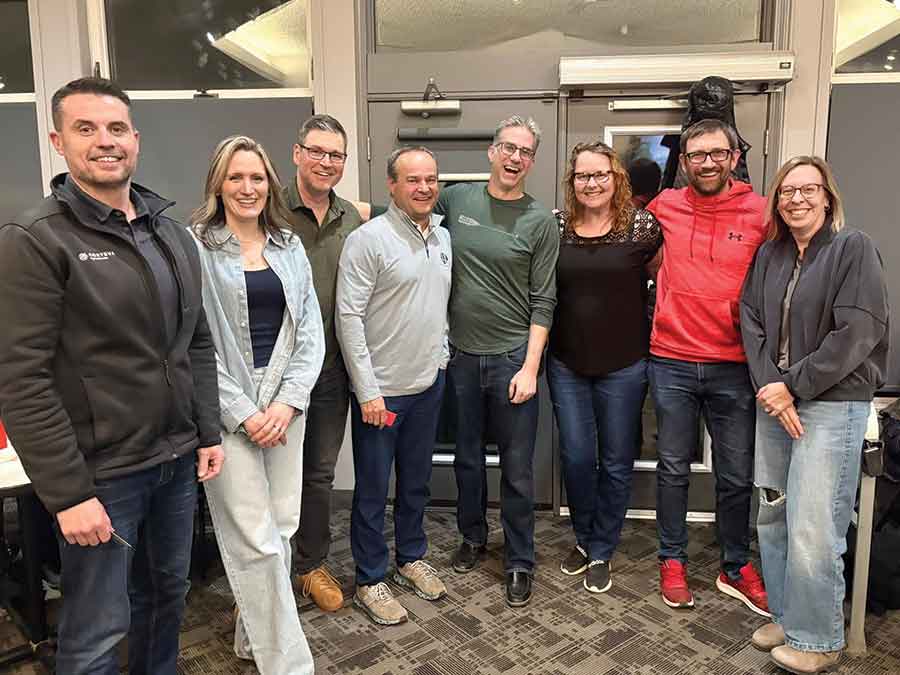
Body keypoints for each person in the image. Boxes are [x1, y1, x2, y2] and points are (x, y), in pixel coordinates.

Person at [0, 77, 224, 674]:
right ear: (58, 141)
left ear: (135, 139)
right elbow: (22, 379)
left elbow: (195, 341)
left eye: (117, 128)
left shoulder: (171, 232)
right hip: (101, 475)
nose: (106, 141)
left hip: (174, 461)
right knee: (97, 629)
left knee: (167, 598)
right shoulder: (35, 240)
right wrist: (68, 494)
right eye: (86, 128)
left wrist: (206, 431)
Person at [740, 156, 889, 674]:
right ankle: (789, 617)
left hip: (831, 402)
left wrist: (791, 387)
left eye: (808, 189)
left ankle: (820, 637)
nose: (796, 199)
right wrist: (772, 386)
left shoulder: (853, 248)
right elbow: (750, 321)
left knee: (814, 523)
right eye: (787, 191)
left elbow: (857, 332)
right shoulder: (770, 254)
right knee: (774, 513)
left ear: (828, 197)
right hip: (775, 400)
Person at [190, 135, 324, 674]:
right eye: (235, 177)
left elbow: (310, 331)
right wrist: (244, 412)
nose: (247, 188)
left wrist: (288, 403)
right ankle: (289, 665)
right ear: (218, 184)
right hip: (228, 404)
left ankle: (252, 638)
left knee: (283, 528)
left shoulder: (289, 245)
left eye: (256, 177)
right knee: (256, 540)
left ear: (270, 183)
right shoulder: (197, 247)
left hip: (286, 402)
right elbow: (194, 340)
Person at [647, 118, 769, 616]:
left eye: (717, 153)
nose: (707, 163)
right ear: (684, 162)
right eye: (697, 155)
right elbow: (633, 249)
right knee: (673, 468)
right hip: (672, 359)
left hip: (734, 365)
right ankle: (672, 559)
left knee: (736, 475)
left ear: (734, 157)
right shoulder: (665, 206)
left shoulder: (761, 211)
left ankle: (734, 566)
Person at [439, 115, 559, 608]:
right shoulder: (456, 200)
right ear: (492, 152)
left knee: (516, 468)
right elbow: (405, 211)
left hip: (513, 359)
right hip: (462, 358)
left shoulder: (540, 221)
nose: (515, 158)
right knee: (466, 458)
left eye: (525, 152)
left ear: (532, 161)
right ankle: (472, 537)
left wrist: (530, 368)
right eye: (508, 148)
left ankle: (519, 559)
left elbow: (544, 299)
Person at [336, 147, 452, 625]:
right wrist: (367, 390)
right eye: (412, 180)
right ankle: (369, 579)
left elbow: (438, 304)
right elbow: (348, 317)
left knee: (416, 482)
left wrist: (441, 357)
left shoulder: (442, 236)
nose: (424, 188)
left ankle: (410, 557)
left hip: (427, 385)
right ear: (391, 185)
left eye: (430, 179)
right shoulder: (368, 240)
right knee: (371, 489)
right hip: (381, 392)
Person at [549, 141, 661, 594]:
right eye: (583, 175)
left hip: (625, 365)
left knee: (616, 460)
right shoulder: (556, 227)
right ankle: (583, 536)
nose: (591, 183)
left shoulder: (641, 226)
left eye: (600, 175)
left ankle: (601, 547)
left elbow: (662, 281)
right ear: (572, 181)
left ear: (616, 178)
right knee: (577, 458)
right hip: (567, 363)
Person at [284, 114, 363, 612]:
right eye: (316, 151)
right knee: (273, 476)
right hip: (275, 374)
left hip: (331, 370)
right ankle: (268, 575)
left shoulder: (351, 217)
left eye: (335, 155)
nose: (326, 162)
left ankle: (310, 565)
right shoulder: (267, 208)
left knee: (318, 474)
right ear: (297, 153)